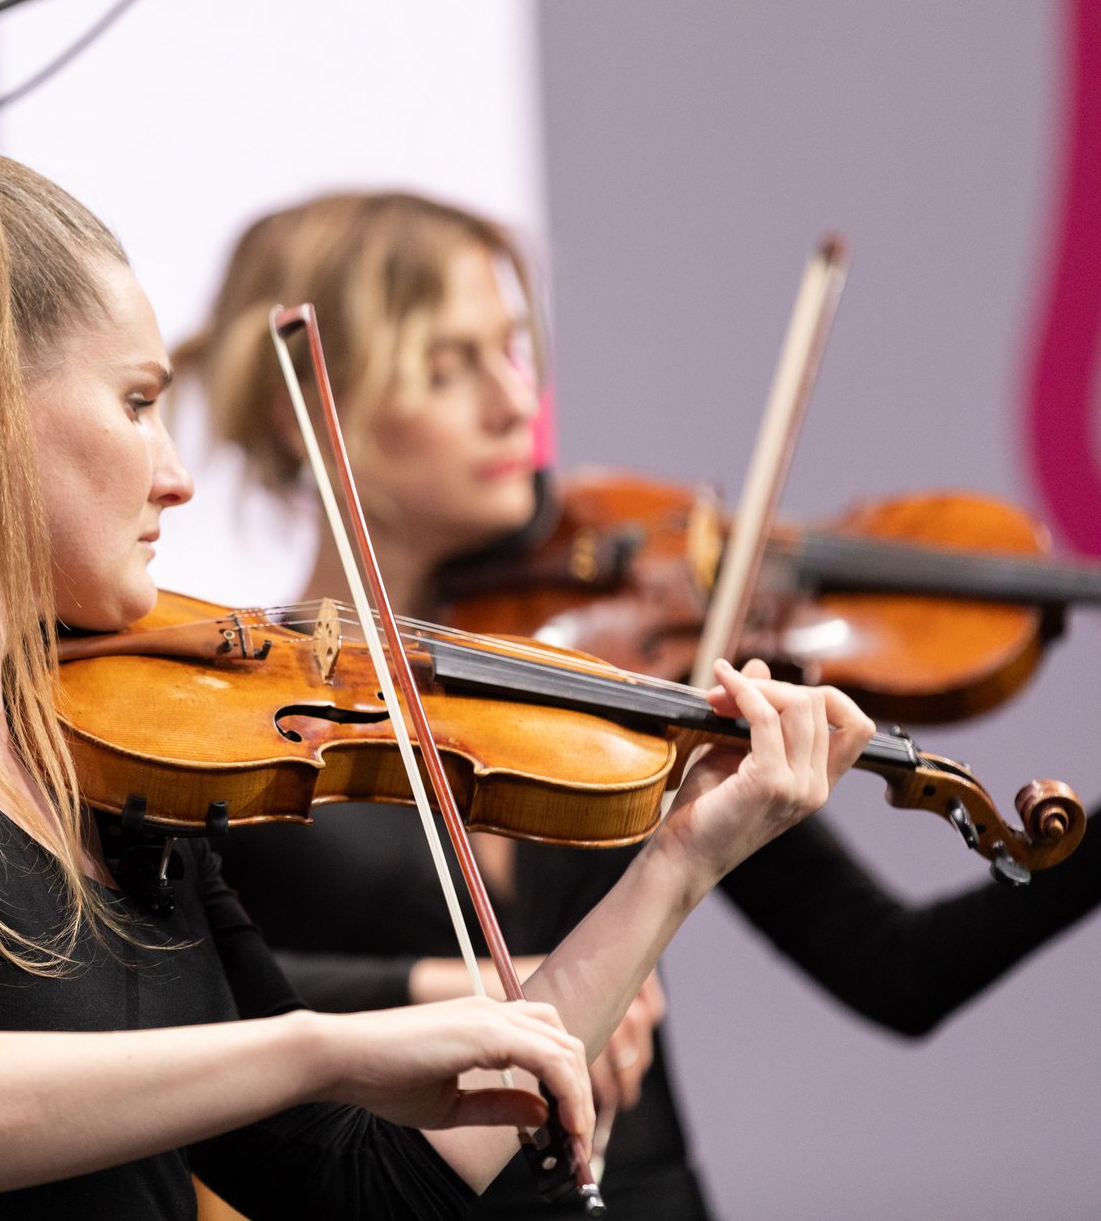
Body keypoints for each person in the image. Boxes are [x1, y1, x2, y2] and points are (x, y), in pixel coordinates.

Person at [0, 94, 868, 1220]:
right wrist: (317, 1045)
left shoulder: (105, 774)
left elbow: (379, 1190)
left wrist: (678, 863)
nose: (177, 474)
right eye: (137, 403)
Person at [180, 189, 1101, 1218]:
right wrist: (460, 988)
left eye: (512, 348)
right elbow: (176, 1007)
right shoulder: (229, 709)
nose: (513, 401)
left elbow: (896, 968)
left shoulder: (612, 675)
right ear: (306, 408)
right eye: (447, 366)